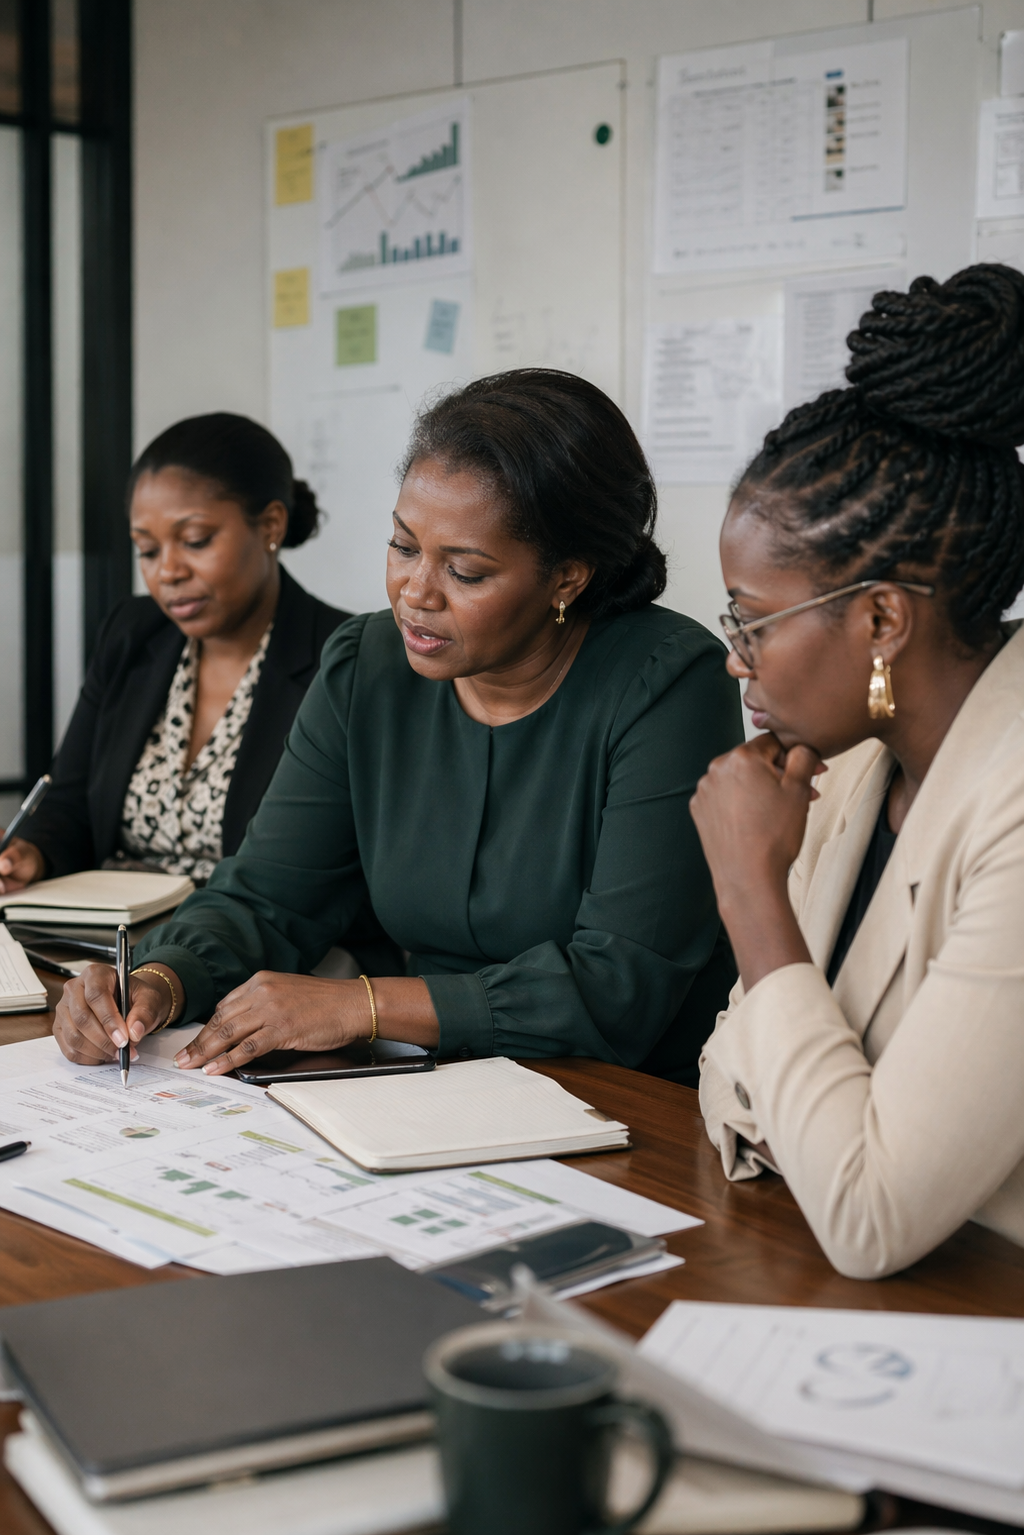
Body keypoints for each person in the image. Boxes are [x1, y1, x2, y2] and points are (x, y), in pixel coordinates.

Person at [53, 369, 743, 1082]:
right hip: (424, 1081)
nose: (414, 593)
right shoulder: (366, 665)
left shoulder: (670, 683)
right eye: (404, 546)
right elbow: (270, 897)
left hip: (630, 1096)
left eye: (466, 572)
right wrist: (160, 980)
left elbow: (619, 987)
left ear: (568, 577)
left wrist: (365, 1006)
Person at [688, 264, 1024, 1279]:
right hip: (835, 1282)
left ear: (881, 619)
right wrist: (824, 1123)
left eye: (752, 620)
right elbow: (722, 1084)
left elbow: (870, 1216)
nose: (734, 657)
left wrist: (752, 892)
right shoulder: (850, 760)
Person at [0, 413, 348, 892]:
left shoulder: (343, 659)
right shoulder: (133, 633)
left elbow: (336, 872)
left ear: (270, 524)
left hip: (257, 949)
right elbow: (69, 803)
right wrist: (31, 852)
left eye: (195, 541)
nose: (168, 571)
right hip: (105, 935)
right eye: (146, 550)